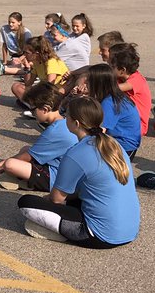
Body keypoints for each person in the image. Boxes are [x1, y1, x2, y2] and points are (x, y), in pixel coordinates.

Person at [17, 95, 140, 247]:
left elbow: (57, 199)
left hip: (99, 235)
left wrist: (48, 200)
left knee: (26, 202)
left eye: (66, 115)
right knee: (80, 196)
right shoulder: (114, 145)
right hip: (129, 231)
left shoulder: (76, 153)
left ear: (75, 123)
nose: (63, 117)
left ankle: (61, 230)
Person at [0, 82, 77, 191]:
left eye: (33, 110)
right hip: (61, 167)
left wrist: (1, 167)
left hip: (57, 178)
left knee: (10, 165)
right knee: (25, 149)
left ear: (45, 109)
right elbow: (31, 153)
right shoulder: (62, 122)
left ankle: (27, 182)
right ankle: (24, 178)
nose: (32, 113)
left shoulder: (54, 131)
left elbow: (28, 157)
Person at [87, 62, 141, 157]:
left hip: (124, 147)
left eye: (88, 81)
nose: (86, 83)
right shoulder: (113, 95)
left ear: (97, 84)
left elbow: (99, 132)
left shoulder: (109, 102)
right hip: (124, 142)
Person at [108, 42, 151, 136]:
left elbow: (111, 89)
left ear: (122, 70)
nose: (108, 66)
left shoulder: (137, 80)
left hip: (137, 126)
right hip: (125, 119)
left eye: (111, 65)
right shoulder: (119, 77)